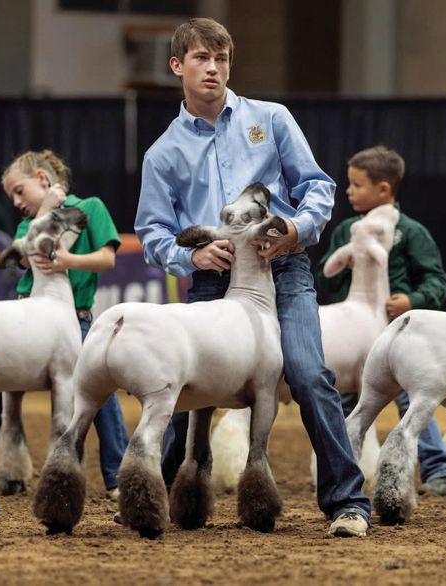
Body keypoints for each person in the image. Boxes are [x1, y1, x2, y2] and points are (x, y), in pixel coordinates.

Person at [135, 17, 371, 537]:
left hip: (283, 267)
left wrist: (294, 227)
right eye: (201, 58)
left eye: (221, 59)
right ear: (177, 66)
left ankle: (347, 502)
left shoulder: (271, 118)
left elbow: (317, 186)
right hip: (213, 282)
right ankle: (150, 497)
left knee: (309, 375)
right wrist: (190, 260)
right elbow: (151, 231)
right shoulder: (163, 153)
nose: (213, 68)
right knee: (176, 387)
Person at [0, 149, 129, 497]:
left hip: (75, 319)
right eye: (11, 195)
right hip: (27, 317)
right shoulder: (31, 223)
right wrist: (45, 211)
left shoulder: (90, 207)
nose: (15, 201)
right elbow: (26, 262)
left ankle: (117, 477)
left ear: (42, 180)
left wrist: (67, 261)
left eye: (19, 190)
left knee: (100, 393)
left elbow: (107, 259)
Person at [314, 145, 446, 496]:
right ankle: (341, 472)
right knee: (344, 403)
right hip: (357, 336)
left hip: (403, 338)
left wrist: (413, 299)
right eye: (349, 184)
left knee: (413, 399)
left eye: (357, 185)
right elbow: (325, 277)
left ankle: (438, 468)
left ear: (384, 189)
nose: (349, 191)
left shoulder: (410, 232)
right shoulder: (348, 230)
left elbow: (436, 280)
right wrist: (340, 266)